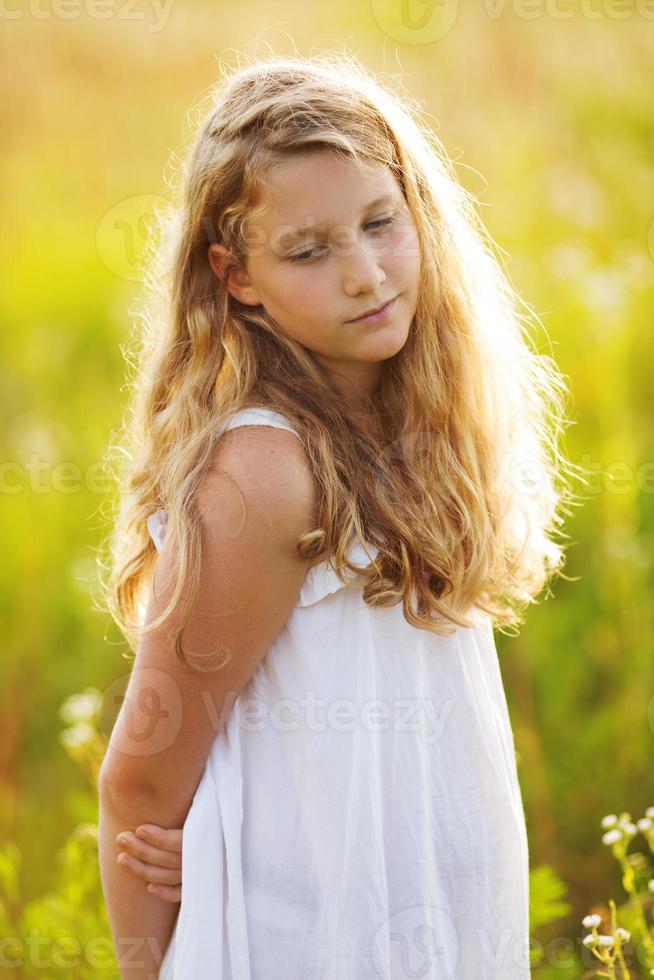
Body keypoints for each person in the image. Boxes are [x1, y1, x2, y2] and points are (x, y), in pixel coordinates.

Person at [97, 50, 580, 980]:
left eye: (379, 224)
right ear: (236, 277)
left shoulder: (423, 427)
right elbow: (140, 784)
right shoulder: (264, 471)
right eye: (309, 251)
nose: (365, 275)